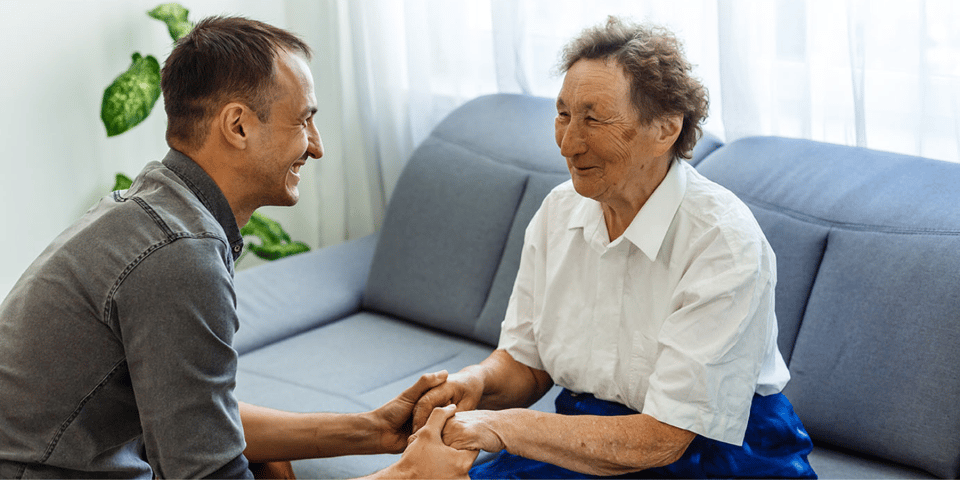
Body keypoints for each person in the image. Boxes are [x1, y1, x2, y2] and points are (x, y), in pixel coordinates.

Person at [0, 16, 475, 479]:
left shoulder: (158, 212)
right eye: (304, 121)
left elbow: (198, 421)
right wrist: (409, 475)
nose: (316, 146)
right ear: (238, 126)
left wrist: (370, 430)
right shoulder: (180, 254)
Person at [412, 17, 817, 479]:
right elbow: (527, 364)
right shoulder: (559, 212)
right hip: (591, 437)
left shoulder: (722, 241)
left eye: (594, 118)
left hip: (717, 453)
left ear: (665, 129)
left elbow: (665, 438)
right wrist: (474, 384)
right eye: (563, 115)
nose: (568, 143)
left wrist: (499, 426)